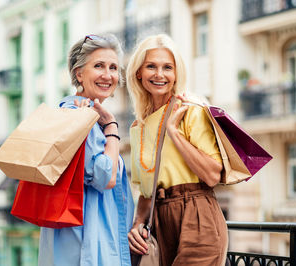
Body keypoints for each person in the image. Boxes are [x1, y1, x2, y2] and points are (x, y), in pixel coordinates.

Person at [126, 34, 228, 266]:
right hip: (159, 220)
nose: (159, 74)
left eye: (167, 68)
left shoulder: (191, 110)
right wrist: (136, 224)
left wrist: (174, 132)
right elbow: (145, 191)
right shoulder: (137, 127)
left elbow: (212, 175)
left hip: (197, 212)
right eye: (151, 66)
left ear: (176, 74)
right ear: (138, 72)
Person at [38, 34, 134, 266]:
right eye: (98, 66)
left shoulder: (89, 115)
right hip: (87, 245)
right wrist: (112, 127)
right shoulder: (77, 115)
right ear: (79, 73)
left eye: (113, 67)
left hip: (93, 240)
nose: (108, 75)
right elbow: (105, 177)